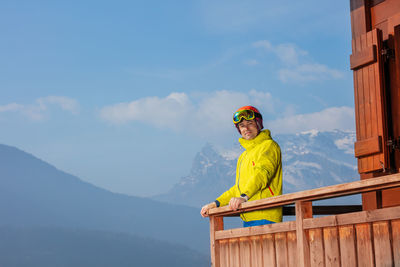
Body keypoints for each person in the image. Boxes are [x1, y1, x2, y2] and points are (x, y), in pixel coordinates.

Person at [200, 106, 282, 227]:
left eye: (250, 123)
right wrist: (216, 203)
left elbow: (262, 174)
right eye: (242, 126)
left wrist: (244, 197)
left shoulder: (268, 146)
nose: (246, 128)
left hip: (266, 215)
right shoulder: (244, 155)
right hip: (249, 215)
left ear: (258, 124)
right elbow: (239, 188)